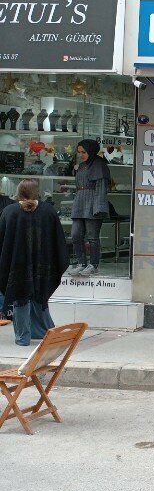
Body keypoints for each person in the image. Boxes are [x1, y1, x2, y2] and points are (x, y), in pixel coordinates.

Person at [0, 180, 69, 346]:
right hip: (43, 264)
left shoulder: (9, 211)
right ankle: (43, 331)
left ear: (18, 192)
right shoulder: (48, 211)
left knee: (20, 299)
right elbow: (58, 240)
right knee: (40, 296)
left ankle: (23, 337)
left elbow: (2, 241)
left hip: (17, 265)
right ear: (36, 192)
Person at [66, 139, 111, 277]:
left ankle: (93, 265)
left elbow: (101, 189)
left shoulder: (99, 165)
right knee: (75, 235)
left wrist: (98, 207)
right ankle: (81, 263)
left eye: (83, 152)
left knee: (92, 237)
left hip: (93, 203)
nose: (81, 155)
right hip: (80, 202)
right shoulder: (81, 166)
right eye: (79, 152)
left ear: (91, 151)